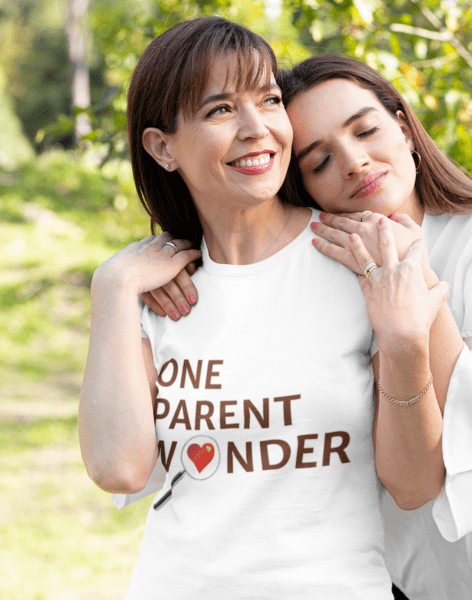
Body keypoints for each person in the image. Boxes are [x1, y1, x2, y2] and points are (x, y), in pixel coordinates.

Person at [147, 53, 472, 600]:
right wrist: (161, 264)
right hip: (394, 577)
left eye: (366, 130)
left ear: (402, 127)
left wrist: (415, 282)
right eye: (319, 161)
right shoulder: (329, 263)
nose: (353, 163)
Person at [78, 17, 452, 600]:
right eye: (221, 110)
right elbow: (118, 469)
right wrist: (113, 288)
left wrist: (405, 341)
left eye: (270, 100)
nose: (258, 129)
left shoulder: (367, 257)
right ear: (163, 147)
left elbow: (415, 484)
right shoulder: (155, 288)